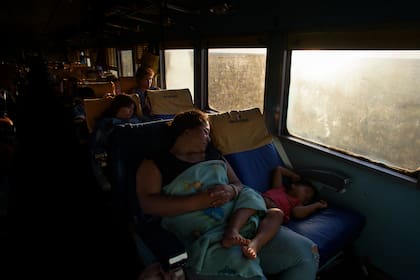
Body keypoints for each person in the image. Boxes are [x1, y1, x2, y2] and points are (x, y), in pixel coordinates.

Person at [136, 109, 319, 280]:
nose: (208, 139)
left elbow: (238, 184)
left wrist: (231, 191)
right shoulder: (157, 162)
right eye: (205, 132)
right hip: (205, 235)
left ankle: (246, 239)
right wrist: (198, 202)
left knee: (307, 254)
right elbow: (148, 204)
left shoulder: (214, 155)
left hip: (246, 225)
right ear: (187, 131)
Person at [222, 166, 328, 260]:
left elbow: (297, 213)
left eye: (307, 200)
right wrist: (293, 175)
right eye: (306, 191)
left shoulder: (296, 204)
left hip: (268, 215)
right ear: (294, 185)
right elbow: (279, 170)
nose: (306, 197)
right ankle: (233, 232)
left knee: (278, 214)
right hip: (257, 204)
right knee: (252, 195)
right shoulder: (279, 189)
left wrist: (316, 205)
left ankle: (254, 245)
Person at [90, 94, 144, 190]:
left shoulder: (136, 121)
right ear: (118, 107)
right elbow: (96, 146)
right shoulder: (106, 123)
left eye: (133, 109)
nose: (131, 111)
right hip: (116, 151)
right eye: (128, 108)